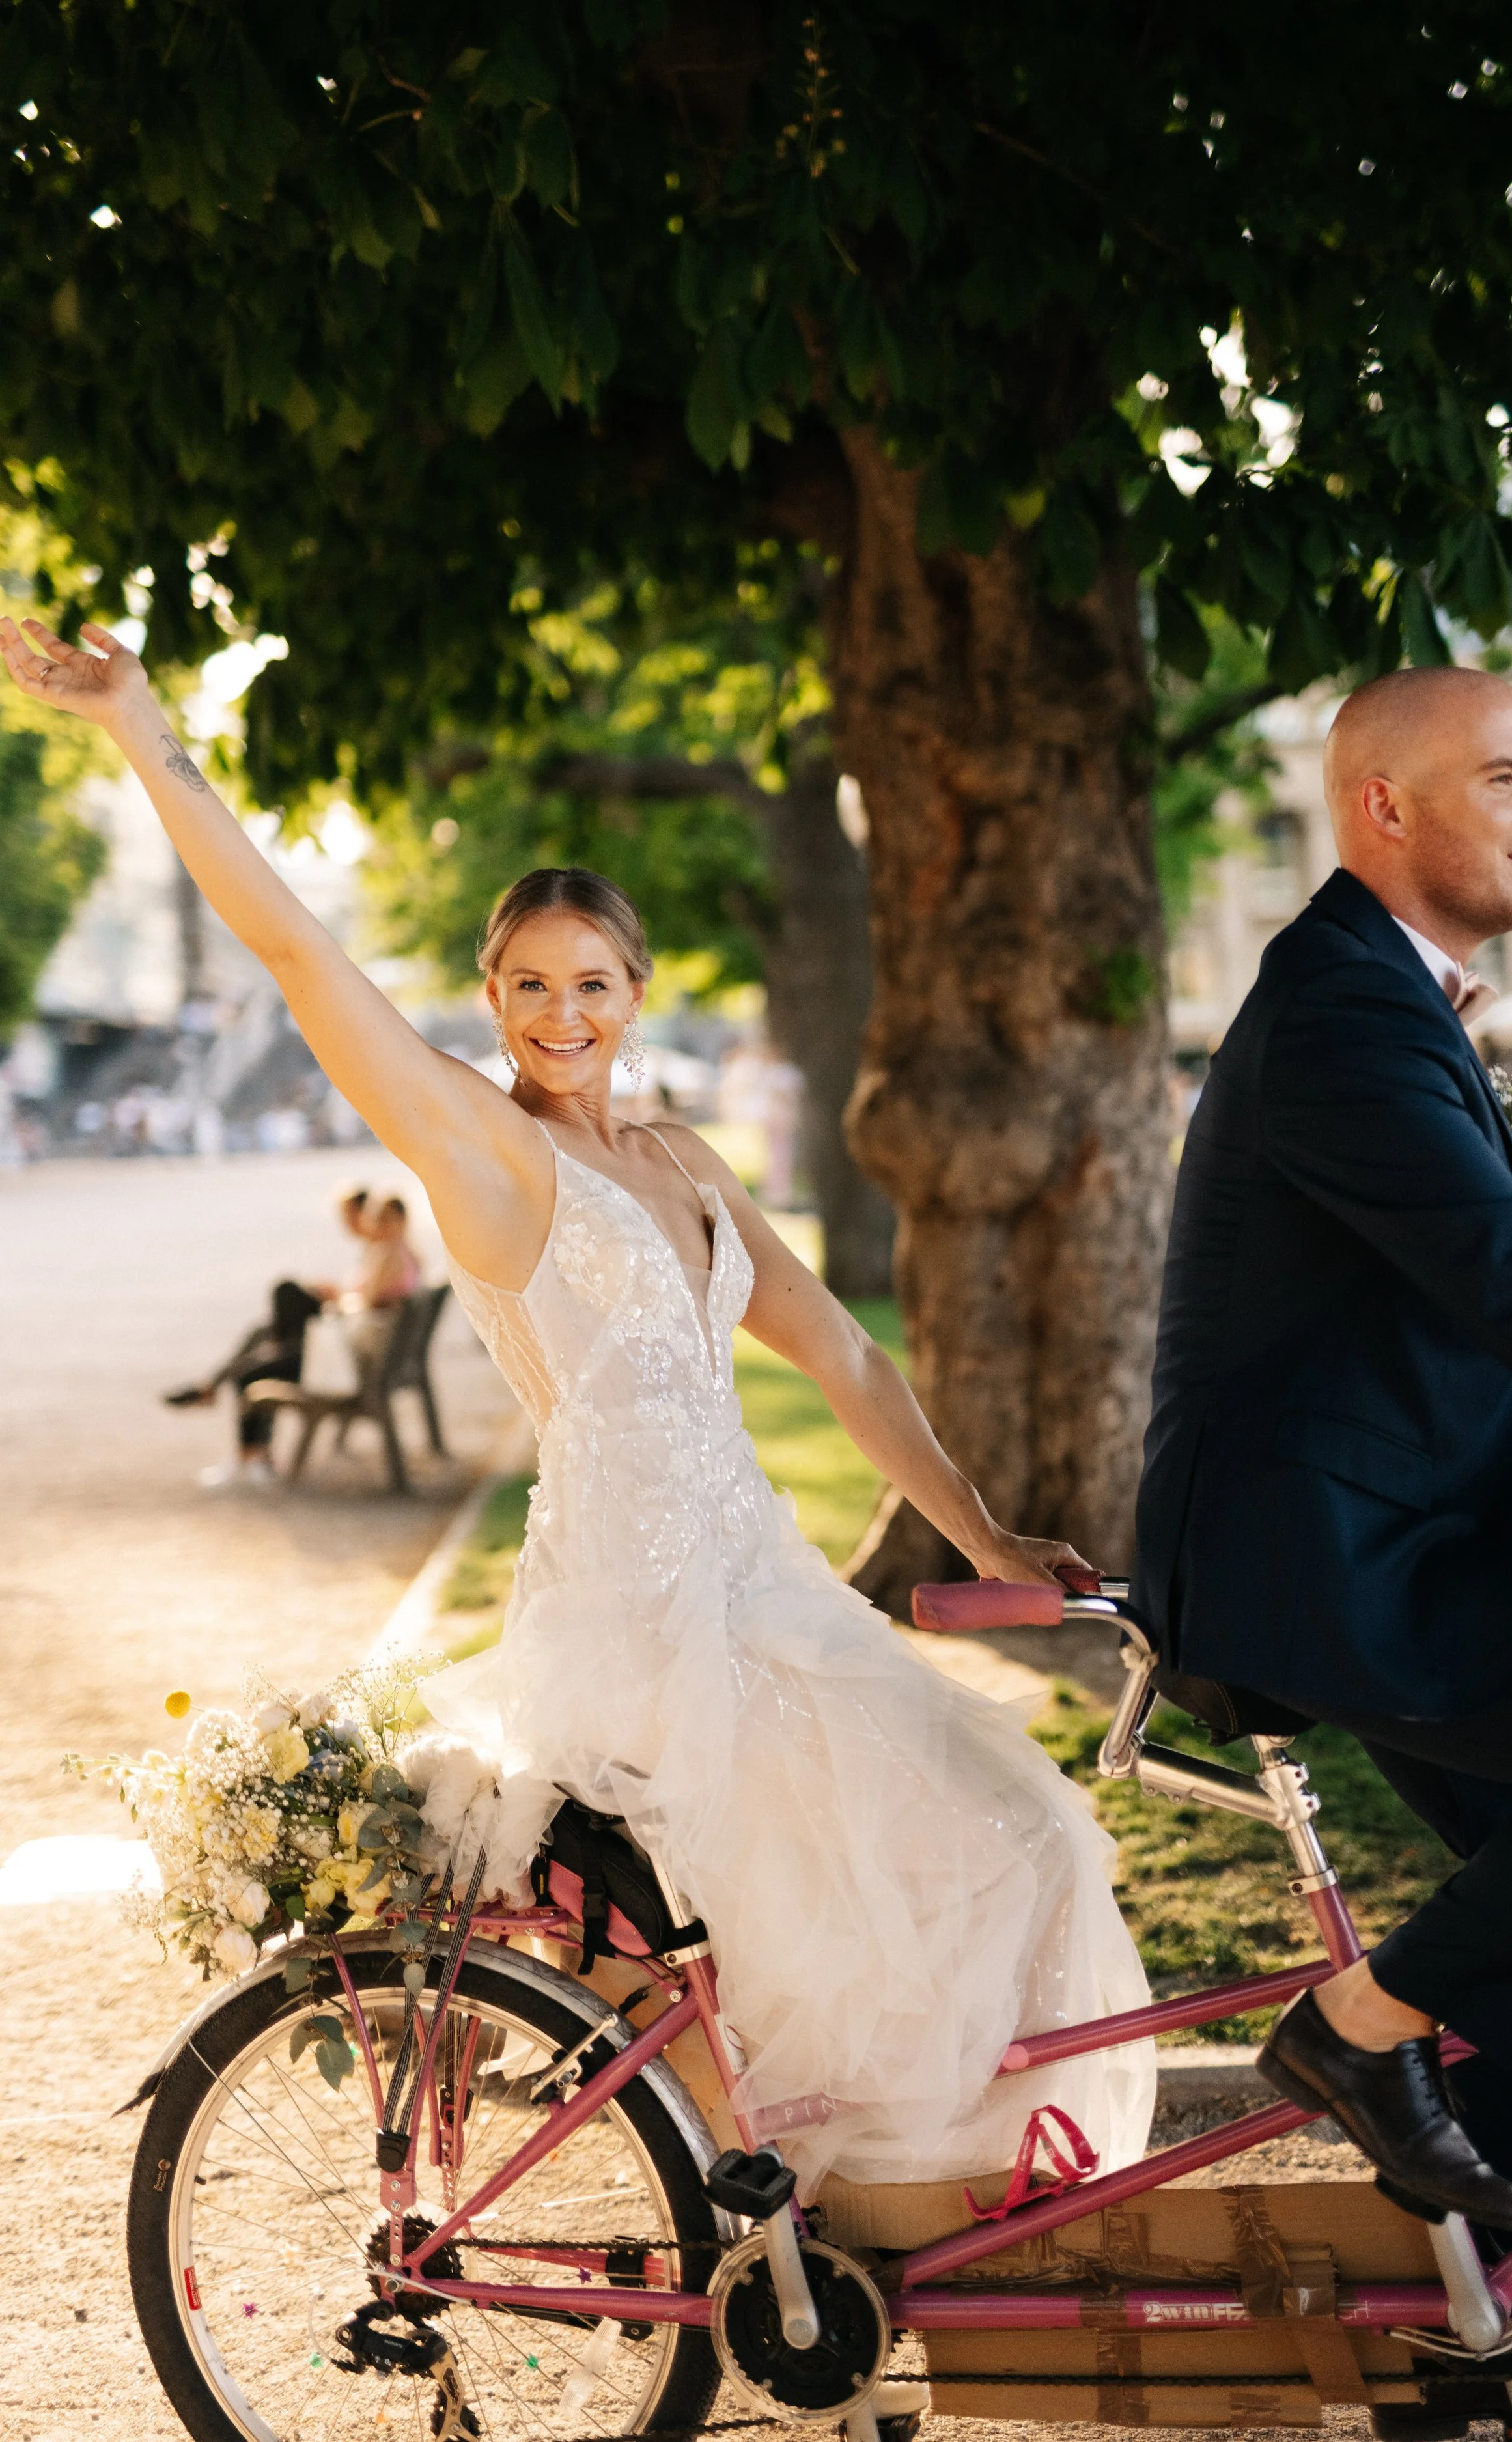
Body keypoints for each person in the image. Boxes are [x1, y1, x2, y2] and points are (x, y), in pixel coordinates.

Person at [1, 610, 1155, 2195]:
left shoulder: (682, 1162)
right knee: (786, 1934)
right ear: (491, 992)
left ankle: (895, 2218)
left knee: (1016, 1831)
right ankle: (759, 2218)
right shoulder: (488, 1151)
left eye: (593, 982)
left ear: (636, 987)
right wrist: (139, 722)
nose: (563, 1012)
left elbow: (848, 1358)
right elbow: (294, 949)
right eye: (530, 982)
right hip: (634, 1623)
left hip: (770, 1596)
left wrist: (991, 1529)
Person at [1134, 663, 1512, 2431]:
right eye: (1501, 776)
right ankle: (1347, 2034)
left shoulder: (1372, 994)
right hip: (1336, 1569)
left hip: (1392, 1546)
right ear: (1382, 808)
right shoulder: (1341, 1009)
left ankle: (1467, 2344)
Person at [165, 1187, 415, 1487]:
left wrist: (337, 1299)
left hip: (347, 1365)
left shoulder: (390, 1257)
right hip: (358, 1356)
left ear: (401, 1221)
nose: (377, 1226)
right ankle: (238, 1425)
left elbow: (366, 1307)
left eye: (385, 1219)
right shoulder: (395, 1255)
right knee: (264, 1333)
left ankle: (250, 1453)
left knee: (262, 1350)